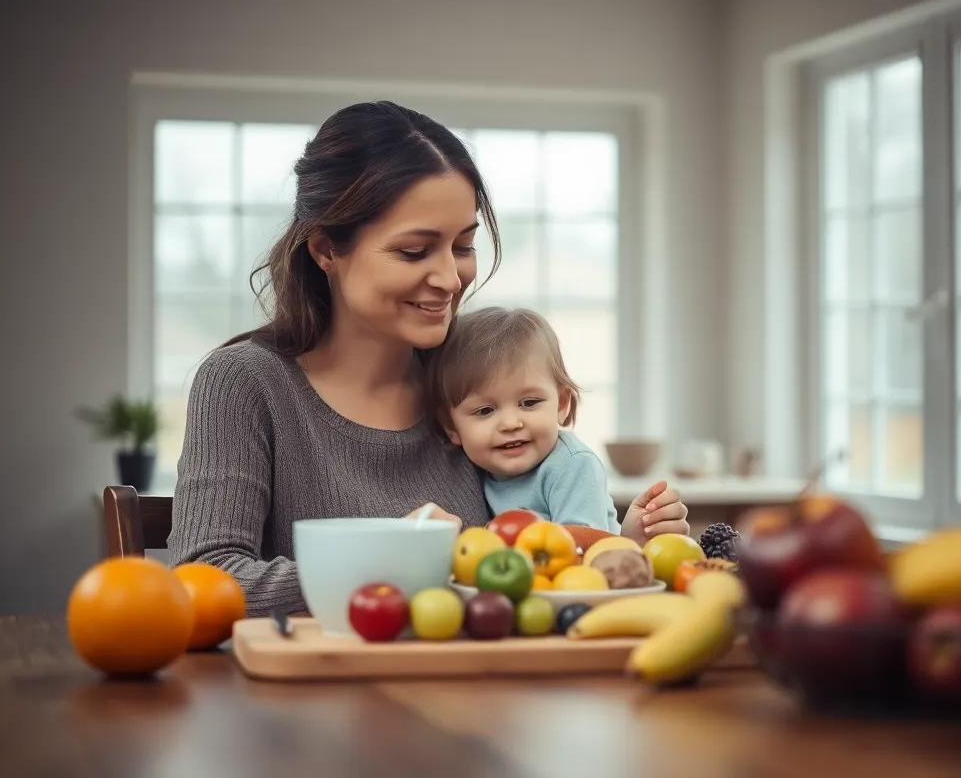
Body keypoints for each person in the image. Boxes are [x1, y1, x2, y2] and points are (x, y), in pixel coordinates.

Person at [166, 100, 689, 617]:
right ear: (326, 249)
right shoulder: (244, 383)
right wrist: (405, 561)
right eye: (415, 251)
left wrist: (620, 543)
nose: (449, 278)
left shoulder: (473, 382)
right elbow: (204, 580)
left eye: (463, 246)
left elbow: (539, 561)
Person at [424, 305, 626, 534]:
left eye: (528, 403)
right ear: (452, 427)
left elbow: (584, 544)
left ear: (560, 404)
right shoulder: (472, 469)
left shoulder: (573, 466)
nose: (511, 423)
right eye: (485, 411)